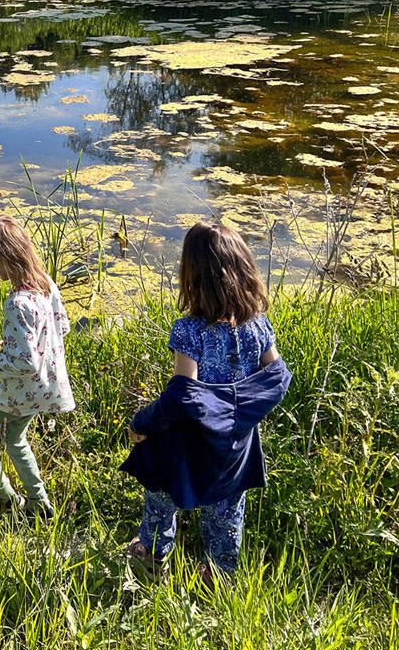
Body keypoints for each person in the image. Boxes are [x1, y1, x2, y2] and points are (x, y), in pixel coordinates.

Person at [121, 222, 290, 586]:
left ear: (193, 276)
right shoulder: (258, 326)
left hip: (190, 443)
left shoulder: (190, 330)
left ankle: (151, 556)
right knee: (227, 511)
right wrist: (240, 412)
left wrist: (142, 422)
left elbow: (183, 392)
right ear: (244, 271)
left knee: (161, 492)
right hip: (236, 446)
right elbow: (278, 378)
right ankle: (219, 575)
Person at [0, 214, 73, 521]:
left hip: (21, 391)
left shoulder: (17, 302)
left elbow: (24, 362)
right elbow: (62, 327)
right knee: (14, 440)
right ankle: (39, 503)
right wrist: (16, 344)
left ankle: (5, 495)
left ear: (3, 258)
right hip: (47, 385)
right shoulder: (47, 285)